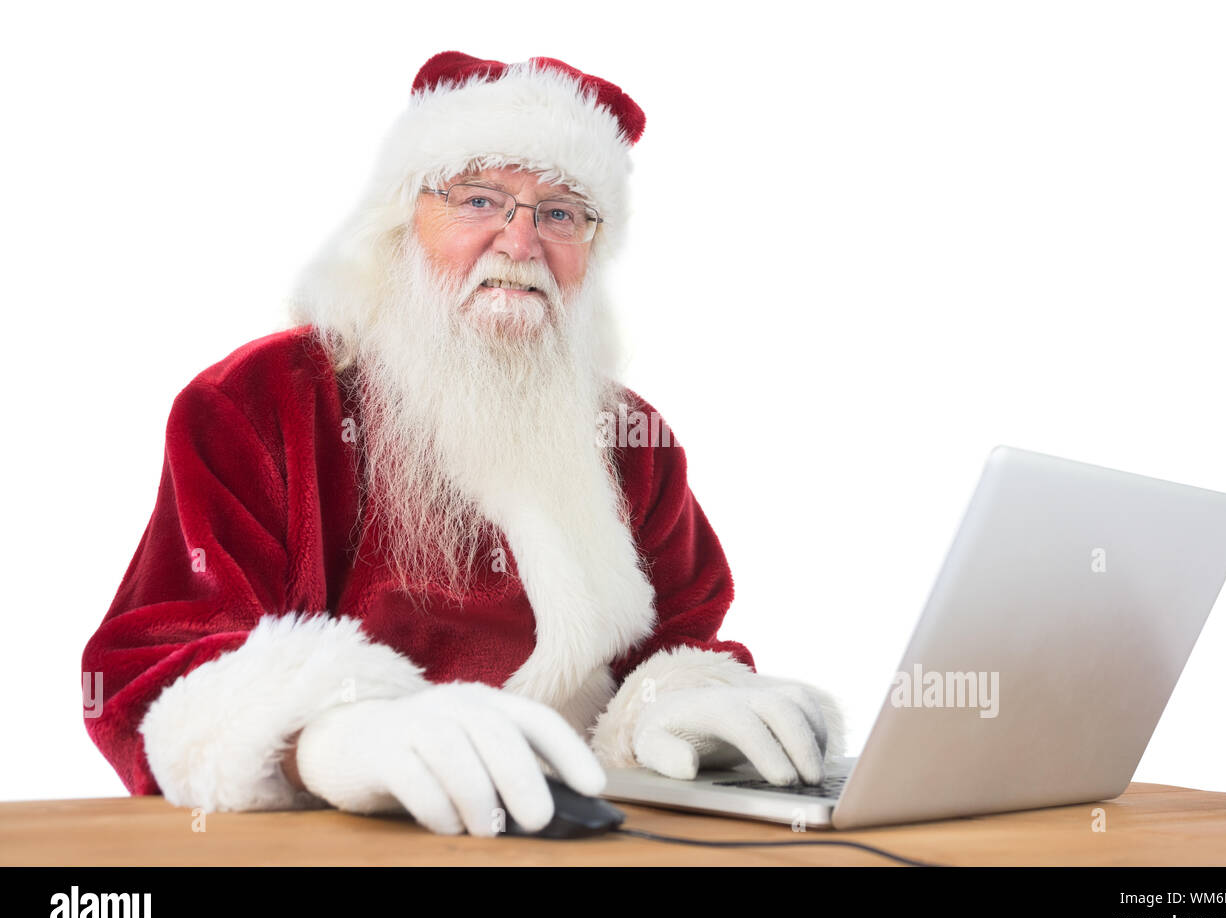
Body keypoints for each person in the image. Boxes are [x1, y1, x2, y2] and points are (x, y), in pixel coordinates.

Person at [81, 51, 845, 836]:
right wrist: (328, 738)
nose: (520, 244)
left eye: (560, 213)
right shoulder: (254, 404)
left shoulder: (632, 442)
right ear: (402, 218)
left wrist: (679, 705)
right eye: (480, 199)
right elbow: (149, 669)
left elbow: (682, 638)